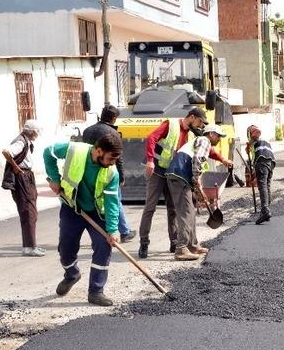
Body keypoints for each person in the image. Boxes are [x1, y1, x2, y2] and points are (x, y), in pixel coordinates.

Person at [138, 107, 232, 258]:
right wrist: (150, 161)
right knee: (150, 208)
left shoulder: (192, 134)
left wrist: (222, 159)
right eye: (200, 122)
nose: (201, 126)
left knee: (174, 209)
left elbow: (204, 149)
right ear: (192, 117)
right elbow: (151, 138)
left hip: (172, 171)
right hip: (157, 171)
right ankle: (144, 243)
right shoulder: (171, 125)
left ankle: (176, 243)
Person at [44, 132, 123, 307]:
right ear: (98, 151)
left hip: (96, 212)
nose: (112, 163)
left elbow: (112, 203)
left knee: (104, 246)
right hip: (71, 207)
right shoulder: (75, 150)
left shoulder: (112, 173)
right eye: (110, 158)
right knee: (66, 247)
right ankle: (72, 274)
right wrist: (54, 178)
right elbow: (48, 152)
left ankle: (96, 291)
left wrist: (112, 229)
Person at [166, 124, 227, 261]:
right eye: (218, 136)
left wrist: (196, 186)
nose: (219, 139)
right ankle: (181, 249)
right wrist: (196, 179)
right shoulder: (204, 140)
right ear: (211, 134)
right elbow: (197, 159)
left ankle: (193, 245)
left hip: (180, 176)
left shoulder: (197, 141)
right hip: (179, 176)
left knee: (191, 212)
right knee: (186, 213)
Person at [83, 105, 136, 243]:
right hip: (107, 173)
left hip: (88, 171)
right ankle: (124, 231)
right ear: (113, 118)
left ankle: (109, 230)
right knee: (114, 200)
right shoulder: (112, 133)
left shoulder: (87, 130)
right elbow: (117, 157)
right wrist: (122, 176)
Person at [2, 119, 44, 257]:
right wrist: (16, 167)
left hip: (27, 176)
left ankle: (30, 246)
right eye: (36, 132)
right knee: (28, 212)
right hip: (22, 177)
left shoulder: (25, 141)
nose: (36, 135)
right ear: (31, 131)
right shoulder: (21, 141)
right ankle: (29, 247)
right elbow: (6, 152)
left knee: (30, 211)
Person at [246, 125, 276, 225]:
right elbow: (256, 162)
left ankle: (265, 210)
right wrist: (254, 174)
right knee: (266, 186)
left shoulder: (255, 138)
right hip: (270, 162)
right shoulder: (263, 142)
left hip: (262, 161)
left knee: (262, 186)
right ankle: (266, 209)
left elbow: (256, 132)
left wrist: (248, 144)